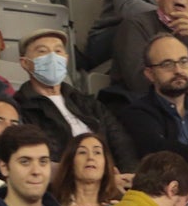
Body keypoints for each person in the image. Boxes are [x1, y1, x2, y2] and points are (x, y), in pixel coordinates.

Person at [12, 30, 138, 173]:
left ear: (65, 59)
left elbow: (121, 142)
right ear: (25, 63)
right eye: (42, 52)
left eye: (58, 51)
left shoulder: (86, 102)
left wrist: (128, 175)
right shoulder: (21, 108)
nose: (53, 57)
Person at [119, 33, 188, 159]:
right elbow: (160, 152)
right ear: (150, 74)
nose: (178, 70)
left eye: (183, 61)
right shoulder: (138, 114)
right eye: (167, 64)